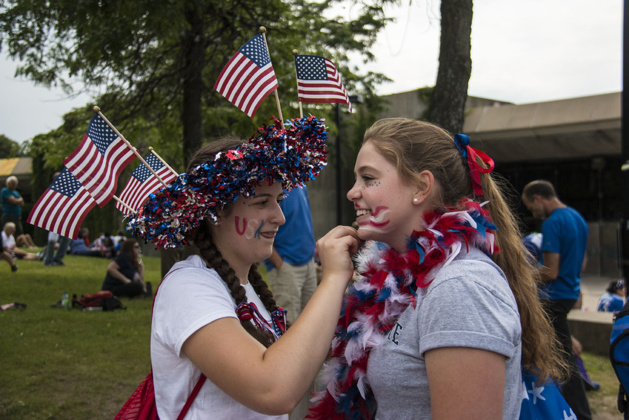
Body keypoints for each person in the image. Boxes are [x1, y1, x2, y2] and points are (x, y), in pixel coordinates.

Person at [308, 118, 567, 419]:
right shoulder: (398, 281)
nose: (353, 192)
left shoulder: (459, 287)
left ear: (421, 186)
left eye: (368, 178)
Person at [126, 117, 357, 419]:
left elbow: (292, 355)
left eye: (279, 200)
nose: (279, 217)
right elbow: (272, 390)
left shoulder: (247, 286)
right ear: (217, 212)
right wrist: (334, 278)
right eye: (263, 202)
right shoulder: (187, 287)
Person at [522, 179, 592, 419]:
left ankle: (578, 413)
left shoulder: (553, 223)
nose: (533, 213)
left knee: (560, 361)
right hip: (570, 293)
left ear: (538, 198)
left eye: (531, 207)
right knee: (563, 352)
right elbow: (582, 263)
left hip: (553, 297)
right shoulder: (577, 218)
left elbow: (551, 271)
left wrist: (520, 276)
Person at [264, 186, 317, 325]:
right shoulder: (273, 186)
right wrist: (279, 264)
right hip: (286, 266)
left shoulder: (300, 185)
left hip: (308, 262)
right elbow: (260, 228)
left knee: (312, 321)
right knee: (289, 325)